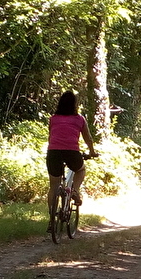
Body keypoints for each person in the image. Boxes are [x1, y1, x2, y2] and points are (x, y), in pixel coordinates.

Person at [46, 90, 97, 232]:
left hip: (53, 152)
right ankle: (74, 190)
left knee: (53, 186)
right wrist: (92, 152)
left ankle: (51, 219)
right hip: (72, 152)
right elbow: (88, 138)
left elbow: (51, 136)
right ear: (75, 105)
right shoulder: (79, 119)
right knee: (80, 170)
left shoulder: (53, 118)